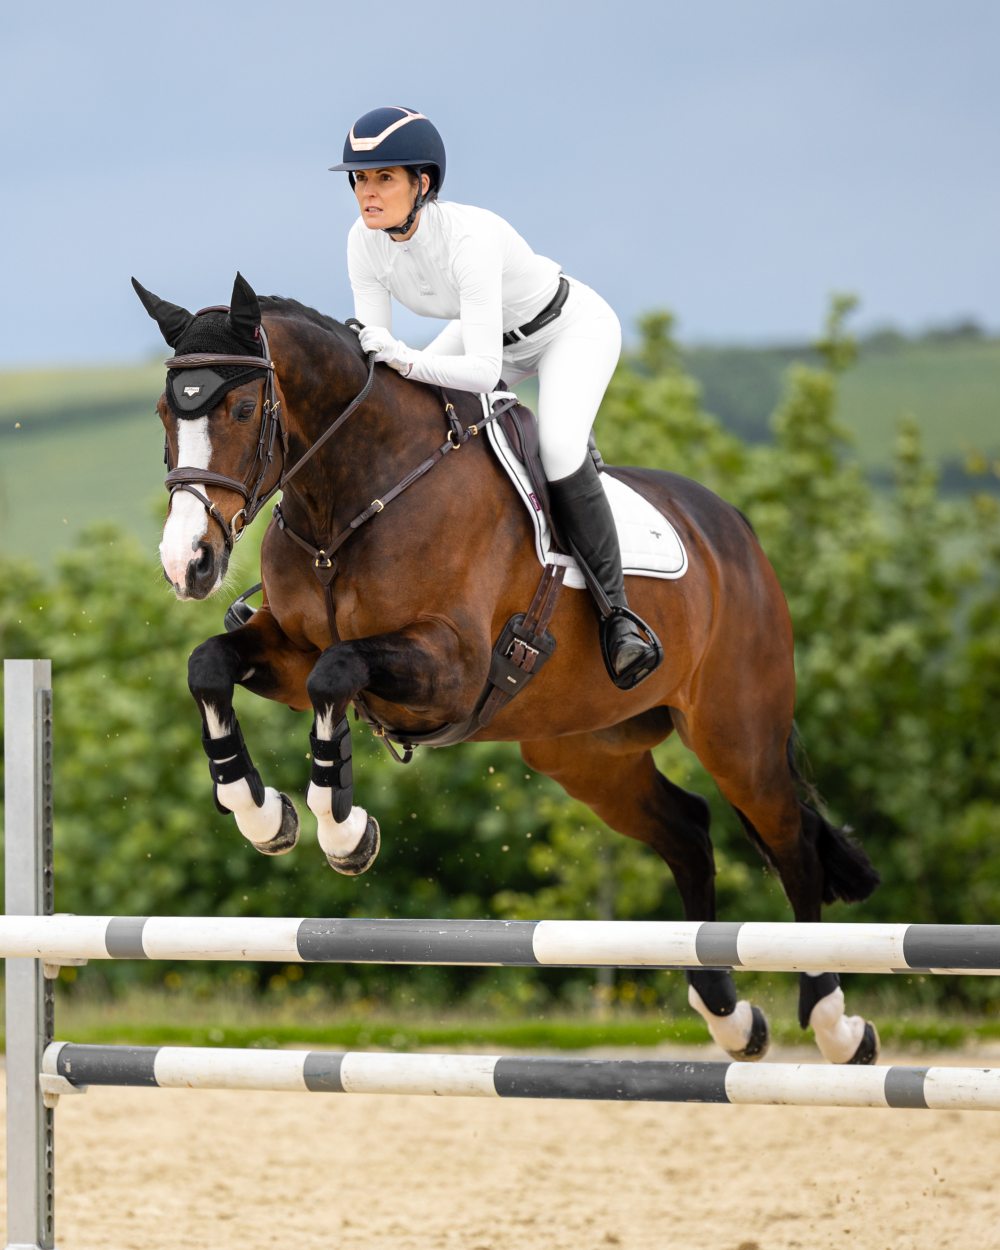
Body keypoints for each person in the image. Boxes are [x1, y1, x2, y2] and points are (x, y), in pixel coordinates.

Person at [330, 105, 661, 689]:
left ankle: (618, 618)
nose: (367, 193)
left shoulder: (471, 237)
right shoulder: (364, 242)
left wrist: (402, 356)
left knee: (558, 450)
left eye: (383, 177)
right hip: (489, 337)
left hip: (565, 329)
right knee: (414, 416)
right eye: (359, 179)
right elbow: (376, 355)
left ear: (422, 183)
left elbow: (480, 373)